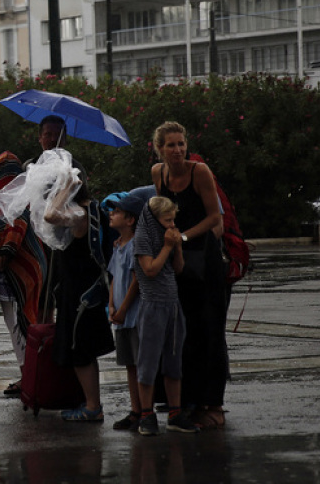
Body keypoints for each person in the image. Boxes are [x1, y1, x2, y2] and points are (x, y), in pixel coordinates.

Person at [150, 121, 227, 428]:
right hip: (177, 262)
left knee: (210, 331)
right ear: (160, 149)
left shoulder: (200, 172)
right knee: (181, 333)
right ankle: (185, 400)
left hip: (205, 261)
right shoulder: (159, 173)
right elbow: (160, 212)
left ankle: (215, 404)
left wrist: (182, 237)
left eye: (181, 144)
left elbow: (214, 217)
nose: (178, 150)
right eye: (171, 145)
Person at [42, 153, 115, 423]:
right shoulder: (92, 208)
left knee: (80, 350)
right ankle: (90, 403)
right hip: (84, 289)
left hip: (81, 294)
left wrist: (65, 187)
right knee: (82, 349)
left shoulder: (80, 212)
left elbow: (50, 215)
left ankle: (93, 407)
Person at [132, 196, 200, 435]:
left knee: (174, 359)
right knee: (148, 362)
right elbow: (150, 269)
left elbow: (178, 268)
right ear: (154, 219)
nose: (172, 225)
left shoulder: (168, 236)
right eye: (167, 220)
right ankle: (146, 414)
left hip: (172, 304)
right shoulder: (143, 237)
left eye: (174, 220)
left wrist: (177, 247)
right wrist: (168, 247)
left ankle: (175, 411)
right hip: (152, 306)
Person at [0, 151, 45, 397]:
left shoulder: (15, 194)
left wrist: (6, 251)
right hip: (12, 270)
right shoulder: (12, 191)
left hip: (18, 269)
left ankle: (30, 378)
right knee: (19, 325)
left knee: (22, 325)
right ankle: (29, 375)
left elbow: (17, 223)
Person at [102, 186, 154, 431]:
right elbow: (113, 278)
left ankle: (146, 410)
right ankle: (136, 409)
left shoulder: (135, 246)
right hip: (121, 316)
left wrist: (122, 309)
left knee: (141, 365)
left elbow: (136, 281)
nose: (111, 214)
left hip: (133, 315)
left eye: (117, 212)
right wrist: (111, 305)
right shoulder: (119, 245)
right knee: (130, 365)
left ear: (131, 219)